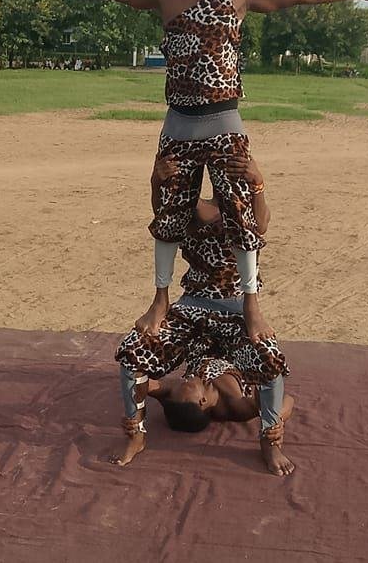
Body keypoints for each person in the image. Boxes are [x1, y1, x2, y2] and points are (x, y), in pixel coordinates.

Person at [18, 0, 368, 342]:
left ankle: (252, 302)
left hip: (223, 119)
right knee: (168, 210)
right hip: (178, 122)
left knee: (239, 210)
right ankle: (160, 297)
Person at [111, 152, 296, 476]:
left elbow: (261, 225)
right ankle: (137, 437)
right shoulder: (192, 208)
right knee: (134, 352)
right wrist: (158, 180)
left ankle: (270, 445)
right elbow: (163, 219)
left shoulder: (236, 206)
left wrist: (257, 182)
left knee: (269, 359)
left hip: (238, 307)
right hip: (196, 305)